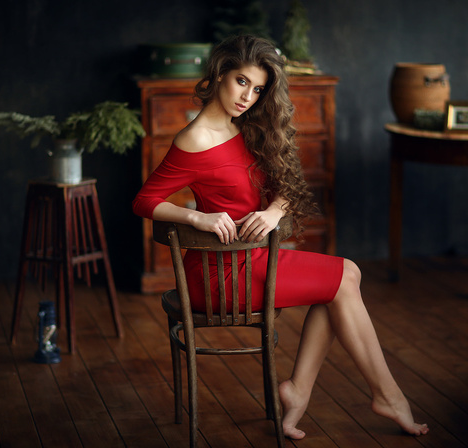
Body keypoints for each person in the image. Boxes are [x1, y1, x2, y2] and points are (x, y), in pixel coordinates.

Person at [132, 34, 429, 440]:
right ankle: (386, 395)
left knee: (342, 284)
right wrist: (197, 218)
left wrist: (273, 211)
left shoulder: (244, 127)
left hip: (253, 259)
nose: (247, 96)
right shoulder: (194, 138)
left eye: (256, 89)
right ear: (220, 73)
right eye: (241, 82)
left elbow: (284, 187)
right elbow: (145, 200)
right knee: (346, 277)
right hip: (220, 273)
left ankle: (299, 393)